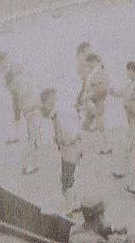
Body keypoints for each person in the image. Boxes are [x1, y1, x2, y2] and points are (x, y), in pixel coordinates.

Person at [0, 51, 41, 174]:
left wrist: (24, 111)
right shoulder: (16, 72)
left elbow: (21, 102)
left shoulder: (16, 81)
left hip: (31, 107)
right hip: (33, 104)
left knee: (32, 136)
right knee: (33, 135)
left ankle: (33, 166)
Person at [40, 87, 82, 217]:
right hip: (70, 148)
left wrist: (59, 139)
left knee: (67, 179)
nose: (44, 106)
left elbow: (69, 135)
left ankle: (69, 209)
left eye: (45, 102)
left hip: (70, 148)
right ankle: (75, 204)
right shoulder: (61, 111)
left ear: (50, 101)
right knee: (67, 178)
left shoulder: (60, 114)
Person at [111, 61, 135, 181]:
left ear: (133, 71)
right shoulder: (130, 84)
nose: (127, 73)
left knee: (129, 142)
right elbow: (120, 93)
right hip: (131, 116)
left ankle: (121, 169)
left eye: (128, 70)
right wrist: (111, 91)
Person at [69, 195, 135, 243]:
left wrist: (113, 229)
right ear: (99, 216)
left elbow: (96, 230)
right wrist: (127, 239)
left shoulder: (76, 230)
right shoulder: (97, 240)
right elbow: (131, 239)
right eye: (102, 214)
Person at [81, 53, 112, 155]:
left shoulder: (100, 73)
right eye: (89, 63)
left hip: (97, 101)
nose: (89, 64)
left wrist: (90, 96)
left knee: (98, 124)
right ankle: (103, 145)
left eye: (91, 62)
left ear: (95, 62)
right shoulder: (93, 73)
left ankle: (106, 146)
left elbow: (102, 90)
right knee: (88, 125)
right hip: (92, 102)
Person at [0, 51, 22, 144]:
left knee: (20, 114)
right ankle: (17, 135)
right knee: (18, 114)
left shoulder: (9, 66)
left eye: (1, 60)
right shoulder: (6, 67)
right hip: (15, 93)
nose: (1, 63)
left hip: (18, 92)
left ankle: (18, 136)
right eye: (0, 61)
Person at [75, 42, 94, 117]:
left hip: (87, 101)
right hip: (79, 102)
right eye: (85, 53)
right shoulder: (76, 70)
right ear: (79, 54)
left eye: (89, 54)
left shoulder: (90, 69)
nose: (88, 57)